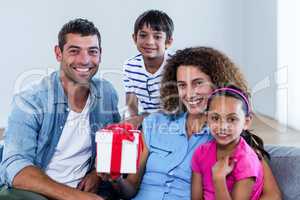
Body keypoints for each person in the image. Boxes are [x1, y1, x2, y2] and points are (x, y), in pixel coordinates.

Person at [111, 47, 281, 200]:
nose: (190, 94)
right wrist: (115, 179)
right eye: (182, 85)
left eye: (198, 83)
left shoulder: (226, 134)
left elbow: (273, 195)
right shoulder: (155, 123)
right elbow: (130, 189)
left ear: (217, 84)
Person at [0, 18, 120, 200]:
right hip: (36, 193)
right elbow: (16, 168)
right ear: (58, 53)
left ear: (100, 54)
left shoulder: (107, 93)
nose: (85, 60)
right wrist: (76, 198)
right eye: (74, 51)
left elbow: (112, 146)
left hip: (86, 191)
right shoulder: (31, 100)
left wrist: (96, 173)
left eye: (92, 51)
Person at [191, 85, 270, 200]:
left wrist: (219, 179)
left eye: (232, 119)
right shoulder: (200, 152)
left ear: (246, 122)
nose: (222, 127)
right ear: (207, 118)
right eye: (215, 118)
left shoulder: (247, 162)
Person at [123, 9, 174, 128]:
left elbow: (175, 108)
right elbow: (131, 102)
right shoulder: (130, 65)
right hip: (146, 120)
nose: (149, 42)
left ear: (168, 42)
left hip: (172, 119)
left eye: (157, 36)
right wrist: (133, 122)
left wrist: (142, 119)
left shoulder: (174, 64)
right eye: (143, 35)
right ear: (135, 38)